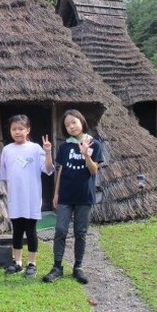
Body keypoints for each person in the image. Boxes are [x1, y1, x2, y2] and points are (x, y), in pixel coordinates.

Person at [43, 109, 104, 284]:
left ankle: (78, 267)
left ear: (81, 121)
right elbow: (61, 171)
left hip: (84, 196)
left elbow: (94, 171)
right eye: (67, 125)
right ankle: (57, 267)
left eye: (74, 122)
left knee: (80, 232)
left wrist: (85, 154)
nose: (71, 126)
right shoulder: (65, 146)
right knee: (60, 230)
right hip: (65, 196)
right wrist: (55, 194)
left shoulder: (94, 144)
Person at [0, 114, 55, 278]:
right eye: (14, 129)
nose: (17, 132)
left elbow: (48, 169)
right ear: (10, 131)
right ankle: (17, 262)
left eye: (21, 129)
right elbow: (4, 175)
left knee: (31, 230)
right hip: (15, 198)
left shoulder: (36, 148)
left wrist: (48, 152)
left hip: (31, 197)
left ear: (28, 130)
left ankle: (32, 263)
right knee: (16, 230)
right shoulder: (7, 149)